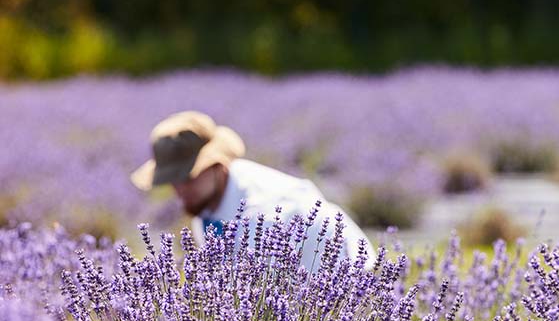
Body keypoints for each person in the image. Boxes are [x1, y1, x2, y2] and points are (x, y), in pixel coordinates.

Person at [130, 111, 377, 271]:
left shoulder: (264, 216)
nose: (180, 189)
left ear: (217, 164)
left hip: (350, 297)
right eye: (171, 179)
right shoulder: (210, 197)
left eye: (187, 176)